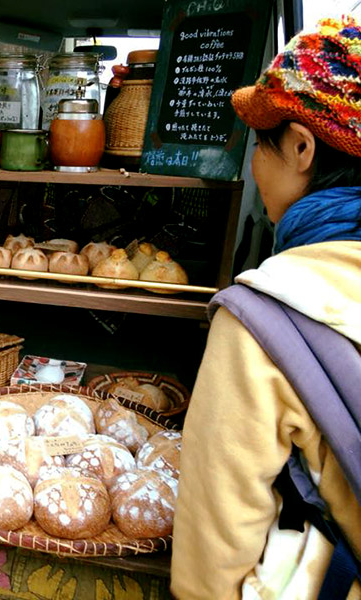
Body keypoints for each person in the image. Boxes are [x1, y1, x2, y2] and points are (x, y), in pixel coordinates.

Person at [170, 16, 361, 599]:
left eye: (259, 143)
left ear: (300, 147)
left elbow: (211, 563)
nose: (254, 164)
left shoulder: (263, 317)